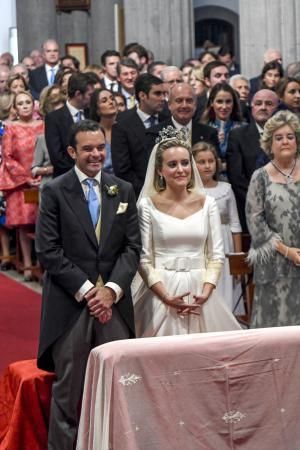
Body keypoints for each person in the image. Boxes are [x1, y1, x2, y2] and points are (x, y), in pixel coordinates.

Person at [36, 120, 141, 449]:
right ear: (71, 152)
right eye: (88, 148)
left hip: (114, 305)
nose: (96, 154)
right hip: (71, 306)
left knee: (120, 387)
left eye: (100, 147)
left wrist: (110, 290)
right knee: (70, 395)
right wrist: (88, 291)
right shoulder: (54, 190)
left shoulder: (121, 189)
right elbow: (48, 251)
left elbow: (133, 248)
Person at [133, 127, 240, 337]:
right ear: (160, 170)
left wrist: (206, 291)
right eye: (172, 164)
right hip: (162, 290)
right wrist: (165, 296)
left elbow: (216, 255)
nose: (181, 169)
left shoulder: (208, 203)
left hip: (201, 290)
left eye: (185, 163)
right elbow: (144, 259)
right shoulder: (147, 206)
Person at [246, 110, 300, 327]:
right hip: (274, 265)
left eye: (290, 136)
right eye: (279, 138)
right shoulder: (260, 177)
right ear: (270, 143)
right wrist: (288, 252)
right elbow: (255, 223)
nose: (285, 141)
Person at [193, 141, 243, 313]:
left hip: (225, 243)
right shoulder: (190, 191)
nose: (207, 166)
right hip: (202, 244)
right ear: (193, 164)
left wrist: (237, 258)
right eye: (201, 162)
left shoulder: (226, 189)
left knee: (225, 285)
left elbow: (235, 225)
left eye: (211, 161)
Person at [0, 91, 43, 280]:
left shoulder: (43, 125)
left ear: (33, 106)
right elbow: (7, 156)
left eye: (27, 102)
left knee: (42, 223)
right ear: (15, 108)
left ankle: (41, 264)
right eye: (20, 103)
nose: (25, 106)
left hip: (43, 178)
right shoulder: (11, 127)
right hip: (20, 181)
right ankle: (27, 263)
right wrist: (26, 176)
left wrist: (41, 173)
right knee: (25, 225)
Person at [226, 89, 279, 231]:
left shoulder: (288, 136)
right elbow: (236, 177)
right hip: (249, 210)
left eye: (269, 104)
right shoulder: (237, 135)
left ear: (277, 108)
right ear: (252, 106)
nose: (263, 107)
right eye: (258, 103)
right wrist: (259, 202)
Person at [111, 73, 166, 196]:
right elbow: (122, 169)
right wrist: (148, 191)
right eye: (157, 94)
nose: (163, 98)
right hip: (139, 194)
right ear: (142, 95)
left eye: (164, 94)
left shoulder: (168, 118)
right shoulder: (122, 123)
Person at [45, 72, 95, 177]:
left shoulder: (93, 114)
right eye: (90, 95)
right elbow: (56, 157)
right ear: (78, 94)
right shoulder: (54, 118)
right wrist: (82, 171)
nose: (93, 98)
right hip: (66, 179)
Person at [201, 83, 245, 178]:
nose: (224, 107)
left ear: (234, 103)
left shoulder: (244, 129)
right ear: (212, 103)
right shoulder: (203, 129)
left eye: (228, 101)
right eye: (219, 101)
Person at [89, 88, 118, 174]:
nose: (111, 102)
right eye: (104, 101)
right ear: (97, 109)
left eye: (112, 99)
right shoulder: (92, 133)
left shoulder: (125, 128)